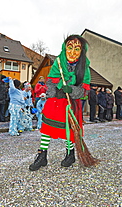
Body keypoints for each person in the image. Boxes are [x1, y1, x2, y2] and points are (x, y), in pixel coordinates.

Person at [29, 34, 90, 171]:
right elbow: (50, 82)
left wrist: (72, 90)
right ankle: (42, 155)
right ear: (65, 48)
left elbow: (85, 92)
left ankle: (70, 154)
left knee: (69, 130)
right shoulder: (57, 64)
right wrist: (56, 91)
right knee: (46, 129)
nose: (72, 52)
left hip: (71, 104)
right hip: (55, 102)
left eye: (77, 49)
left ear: (82, 51)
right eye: (70, 47)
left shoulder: (84, 68)